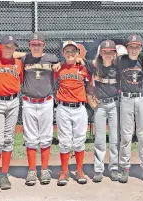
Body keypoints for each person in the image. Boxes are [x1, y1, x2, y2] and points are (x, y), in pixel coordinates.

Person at [21, 32, 59, 186]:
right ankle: (31, 170)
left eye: (38, 44)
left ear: (44, 45)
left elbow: (63, 61)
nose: (35, 47)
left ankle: (44, 169)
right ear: (29, 45)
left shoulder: (52, 59)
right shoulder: (24, 59)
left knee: (45, 136)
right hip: (28, 102)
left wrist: (61, 63)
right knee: (30, 137)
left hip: (46, 102)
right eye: (32, 44)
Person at [0, 35, 23, 191]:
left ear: (16, 48)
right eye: (6, 46)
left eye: (12, 46)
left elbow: (20, 81)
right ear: (0, 46)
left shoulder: (18, 64)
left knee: (8, 139)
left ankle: (4, 174)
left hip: (14, 102)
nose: (9, 49)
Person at [118, 34, 143, 184]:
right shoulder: (121, 60)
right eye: (131, 47)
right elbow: (101, 59)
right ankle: (124, 167)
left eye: (137, 47)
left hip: (141, 98)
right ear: (127, 48)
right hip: (126, 98)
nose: (134, 50)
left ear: (141, 48)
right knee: (126, 136)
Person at [54, 41, 91, 186]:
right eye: (67, 51)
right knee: (64, 141)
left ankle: (79, 170)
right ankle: (64, 171)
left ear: (77, 53)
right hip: (63, 108)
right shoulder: (59, 68)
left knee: (80, 140)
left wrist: (84, 62)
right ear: (63, 53)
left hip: (80, 108)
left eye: (73, 51)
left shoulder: (83, 68)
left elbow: (96, 68)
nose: (70, 54)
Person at [87, 40, 120, 183]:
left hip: (114, 104)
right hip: (99, 105)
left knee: (114, 139)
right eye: (105, 52)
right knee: (99, 139)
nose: (107, 54)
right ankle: (99, 169)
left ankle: (113, 167)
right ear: (100, 53)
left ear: (115, 53)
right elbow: (78, 60)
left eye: (110, 52)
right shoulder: (94, 66)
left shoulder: (118, 66)